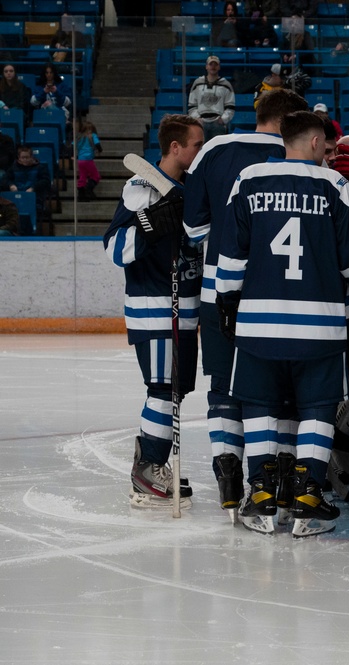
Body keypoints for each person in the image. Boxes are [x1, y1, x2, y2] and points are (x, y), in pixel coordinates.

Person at [215, 110, 349, 536]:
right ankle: (307, 494)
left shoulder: (249, 180)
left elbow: (230, 256)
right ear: (310, 141)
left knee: (260, 406)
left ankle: (263, 494)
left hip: (259, 320)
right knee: (316, 409)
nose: (327, 151)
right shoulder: (337, 186)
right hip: (319, 323)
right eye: (324, 144)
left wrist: (228, 300)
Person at [183, 88, 308, 522]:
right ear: (292, 119)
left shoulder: (215, 149)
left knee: (223, 388)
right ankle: (283, 479)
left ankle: (229, 477)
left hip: (219, 290)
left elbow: (194, 227)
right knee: (284, 392)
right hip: (284, 296)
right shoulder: (303, 157)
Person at [102, 114, 205, 509]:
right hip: (156, 308)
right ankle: (149, 471)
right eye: (195, 144)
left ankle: (154, 464)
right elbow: (115, 249)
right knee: (163, 390)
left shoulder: (193, 187)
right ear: (175, 147)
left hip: (185, 309)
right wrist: (150, 224)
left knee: (177, 391)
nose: (200, 150)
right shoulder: (141, 188)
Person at [188, 56, 236, 143]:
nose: (213, 66)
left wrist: (223, 119)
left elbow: (230, 106)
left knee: (218, 152)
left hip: (218, 123)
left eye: (215, 64)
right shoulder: (198, 83)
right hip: (201, 123)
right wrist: (197, 118)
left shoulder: (226, 84)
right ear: (206, 66)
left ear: (219, 67)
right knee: (200, 152)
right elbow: (192, 104)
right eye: (211, 64)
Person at [75, 119, 102, 201]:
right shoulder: (92, 135)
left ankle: (81, 195)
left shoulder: (79, 137)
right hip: (88, 159)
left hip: (80, 160)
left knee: (82, 176)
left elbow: (73, 145)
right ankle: (88, 190)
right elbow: (97, 144)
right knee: (95, 176)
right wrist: (100, 150)